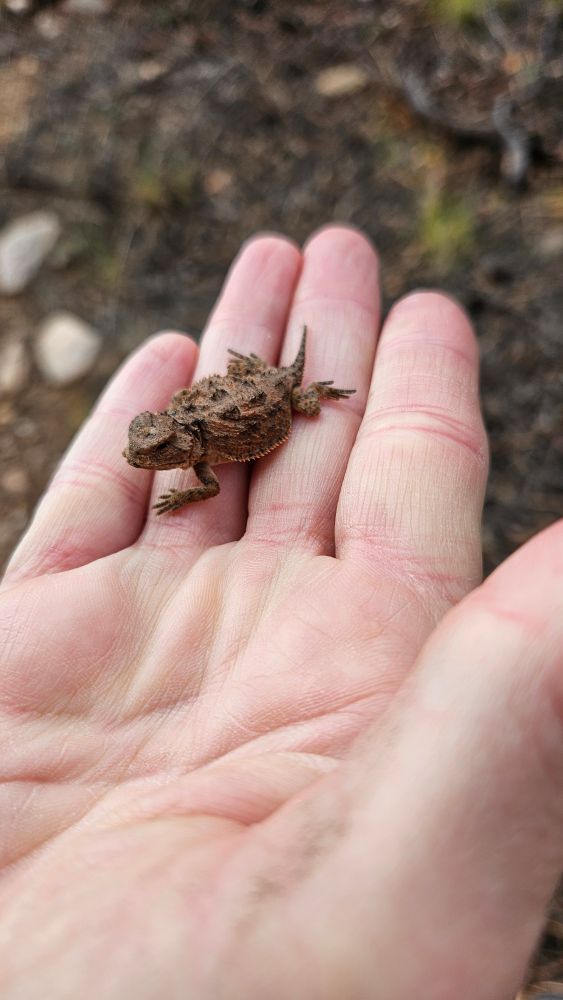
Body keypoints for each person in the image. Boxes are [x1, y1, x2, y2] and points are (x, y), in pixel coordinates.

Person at [0, 225, 561, 1000]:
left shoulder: (200, 455)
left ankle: (300, 387)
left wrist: (205, 473)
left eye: (157, 451)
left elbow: (212, 459)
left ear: (178, 443)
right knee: (282, 384)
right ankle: (288, 382)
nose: (149, 461)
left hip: (266, 396)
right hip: (249, 388)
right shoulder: (186, 442)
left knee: (295, 402)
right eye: (149, 446)